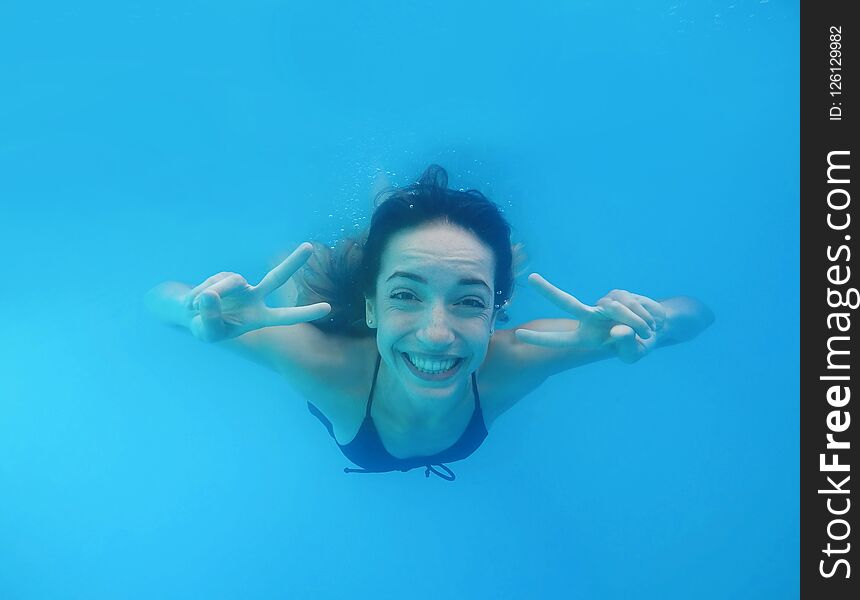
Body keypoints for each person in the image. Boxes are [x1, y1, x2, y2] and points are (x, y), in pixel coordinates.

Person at [145, 165, 714, 480]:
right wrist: (199, 309)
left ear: (498, 312)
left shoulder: (517, 359)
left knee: (426, 265)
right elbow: (158, 300)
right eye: (403, 297)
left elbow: (697, 315)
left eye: (470, 302)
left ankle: (423, 246)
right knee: (312, 278)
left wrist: (653, 323)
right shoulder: (324, 365)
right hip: (340, 318)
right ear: (373, 308)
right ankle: (389, 221)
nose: (437, 334)